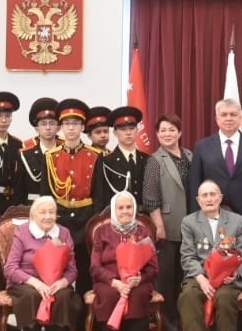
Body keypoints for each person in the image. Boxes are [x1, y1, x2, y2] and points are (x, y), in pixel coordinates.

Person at [177, 180, 242, 331]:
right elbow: (187, 256)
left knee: (225, 297)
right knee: (188, 296)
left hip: (229, 278)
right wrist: (201, 279)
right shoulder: (189, 222)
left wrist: (235, 274)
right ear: (198, 200)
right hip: (199, 276)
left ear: (220, 197)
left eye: (213, 194)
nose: (209, 199)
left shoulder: (237, 221)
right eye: (205, 195)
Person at [4, 196, 79, 331]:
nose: (47, 216)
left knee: (62, 295)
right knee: (32, 295)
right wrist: (36, 283)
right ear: (33, 215)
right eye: (42, 212)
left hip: (55, 282)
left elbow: (72, 270)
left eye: (51, 212)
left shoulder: (64, 233)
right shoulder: (22, 232)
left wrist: (62, 282)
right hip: (26, 282)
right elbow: (10, 268)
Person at [90, 192, 158, 331]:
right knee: (109, 295)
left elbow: (153, 267)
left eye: (129, 207)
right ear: (114, 210)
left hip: (138, 280)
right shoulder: (102, 232)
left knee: (138, 294)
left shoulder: (143, 231)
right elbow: (95, 266)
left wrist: (140, 279)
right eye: (120, 208)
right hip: (108, 281)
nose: (125, 211)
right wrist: (115, 282)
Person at [142, 112, 192, 331]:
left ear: (179, 132)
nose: (167, 134)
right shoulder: (155, 160)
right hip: (167, 226)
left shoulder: (190, 156)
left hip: (191, 226)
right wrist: (158, 225)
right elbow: (150, 197)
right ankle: (169, 327)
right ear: (157, 134)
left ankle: (186, 323)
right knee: (167, 279)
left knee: (186, 278)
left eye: (172, 129)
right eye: (163, 130)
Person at [188, 98, 242, 237]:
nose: (229, 118)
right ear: (217, 119)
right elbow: (195, 185)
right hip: (210, 216)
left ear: (240, 117)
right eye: (224, 114)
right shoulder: (202, 146)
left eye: (233, 114)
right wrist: (196, 219)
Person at [48, 99, 101, 297]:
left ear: (82, 127)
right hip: (59, 219)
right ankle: (62, 314)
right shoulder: (51, 156)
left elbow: (99, 194)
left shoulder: (94, 155)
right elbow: (46, 195)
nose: (71, 128)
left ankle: (83, 315)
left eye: (76, 123)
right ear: (61, 127)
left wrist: (95, 223)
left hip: (85, 218)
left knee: (85, 268)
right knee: (58, 269)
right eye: (67, 123)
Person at [92, 106, 147, 211]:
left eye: (131, 128)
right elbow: (100, 199)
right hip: (117, 216)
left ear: (137, 130)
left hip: (144, 217)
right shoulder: (106, 162)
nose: (128, 133)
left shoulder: (147, 159)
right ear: (115, 132)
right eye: (123, 129)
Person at [13, 97, 62, 204]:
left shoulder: (64, 153)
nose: (48, 128)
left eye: (52, 123)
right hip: (32, 207)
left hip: (59, 208)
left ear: (58, 127)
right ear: (36, 128)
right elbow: (19, 191)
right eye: (43, 124)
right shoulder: (24, 155)